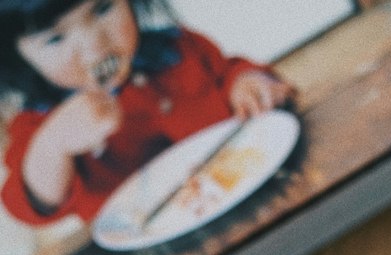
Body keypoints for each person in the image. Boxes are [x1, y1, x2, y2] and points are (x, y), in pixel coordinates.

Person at [0, 0, 292, 226]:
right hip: (151, 253)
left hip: (248, 195)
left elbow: (227, 72)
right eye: (55, 39)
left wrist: (245, 83)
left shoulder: (177, 49)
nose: (95, 46)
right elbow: (28, 202)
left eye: (103, 8)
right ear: (16, 57)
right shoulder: (38, 123)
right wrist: (54, 144)